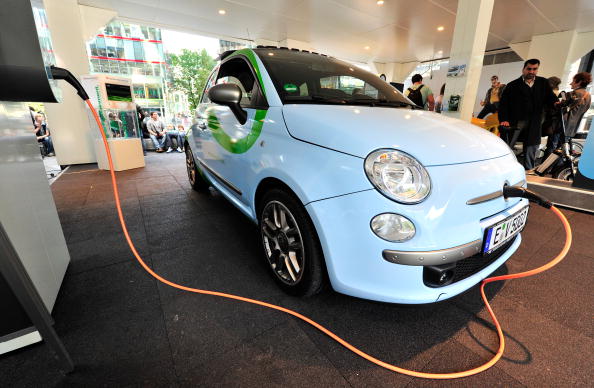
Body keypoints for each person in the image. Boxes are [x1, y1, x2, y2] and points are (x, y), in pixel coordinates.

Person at [498, 58, 557, 170]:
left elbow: (551, 98)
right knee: (508, 145)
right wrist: (504, 119)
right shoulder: (512, 85)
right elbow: (503, 105)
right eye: (529, 69)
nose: (531, 71)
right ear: (523, 69)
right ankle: (504, 168)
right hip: (516, 121)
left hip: (535, 121)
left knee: (532, 146)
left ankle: (528, 170)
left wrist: (556, 103)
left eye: (534, 69)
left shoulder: (543, 83)